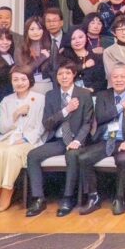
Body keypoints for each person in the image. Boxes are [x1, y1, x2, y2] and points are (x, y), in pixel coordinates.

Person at [24, 59, 95, 217]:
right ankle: (38, 198)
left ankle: (68, 198)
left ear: (74, 74)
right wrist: (65, 110)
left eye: (67, 73)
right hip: (58, 140)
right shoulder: (51, 95)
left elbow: (88, 123)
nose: (64, 77)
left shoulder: (84, 94)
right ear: (56, 77)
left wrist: (77, 141)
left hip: (78, 140)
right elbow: (47, 123)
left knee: (72, 155)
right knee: (33, 155)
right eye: (60, 74)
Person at [77, 64, 125, 216]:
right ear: (110, 79)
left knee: (124, 159)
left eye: (123, 77)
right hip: (107, 139)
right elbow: (101, 117)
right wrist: (121, 106)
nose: (119, 80)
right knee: (84, 158)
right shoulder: (103, 95)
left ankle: (120, 198)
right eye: (115, 77)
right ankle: (93, 197)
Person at [0, 66, 46, 212]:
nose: (19, 83)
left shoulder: (40, 99)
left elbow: (41, 126)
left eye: (23, 79)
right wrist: (15, 114)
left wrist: (25, 139)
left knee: (12, 153)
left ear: (30, 81)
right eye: (15, 80)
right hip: (8, 138)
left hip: (29, 140)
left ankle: (7, 189)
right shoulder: (6, 100)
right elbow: (1, 128)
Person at [62, 27, 105, 91]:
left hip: (92, 93)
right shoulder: (64, 56)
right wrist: (84, 65)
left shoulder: (96, 57)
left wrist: (92, 89)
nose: (77, 41)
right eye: (73, 39)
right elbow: (64, 73)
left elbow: (101, 81)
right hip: (70, 93)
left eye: (80, 37)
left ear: (86, 38)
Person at [104, 16, 125, 89]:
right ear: (114, 32)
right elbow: (111, 74)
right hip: (116, 89)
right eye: (119, 30)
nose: (124, 32)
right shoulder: (108, 51)